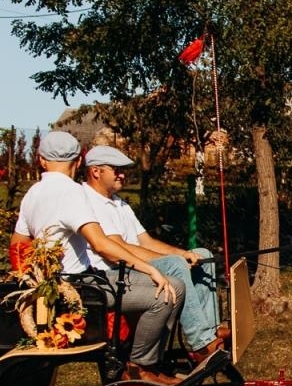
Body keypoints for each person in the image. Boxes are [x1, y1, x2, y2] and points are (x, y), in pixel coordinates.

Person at [11, 130, 183, 383]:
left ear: (41, 160)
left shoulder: (32, 194)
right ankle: (140, 366)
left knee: (171, 286)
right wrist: (149, 269)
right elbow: (101, 244)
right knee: (169, 293)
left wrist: (39, 276)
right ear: (79, 161)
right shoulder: (71, 192)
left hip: (61, 283)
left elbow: (18, 245)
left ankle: (144, 362)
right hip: (81, 287)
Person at [80, 144, 228, 363]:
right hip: (115, 270)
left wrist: (184, 253)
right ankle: (200, 342)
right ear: (95, 171)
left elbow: (145, 241)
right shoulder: (89, 201)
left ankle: (211, 329)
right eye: (116, 170)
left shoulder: (119, 203)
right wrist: (173, 259)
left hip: (133, 264)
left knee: (202, 254)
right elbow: (119, 247)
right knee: (176, 264)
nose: (123, 175)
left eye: (123, 170)